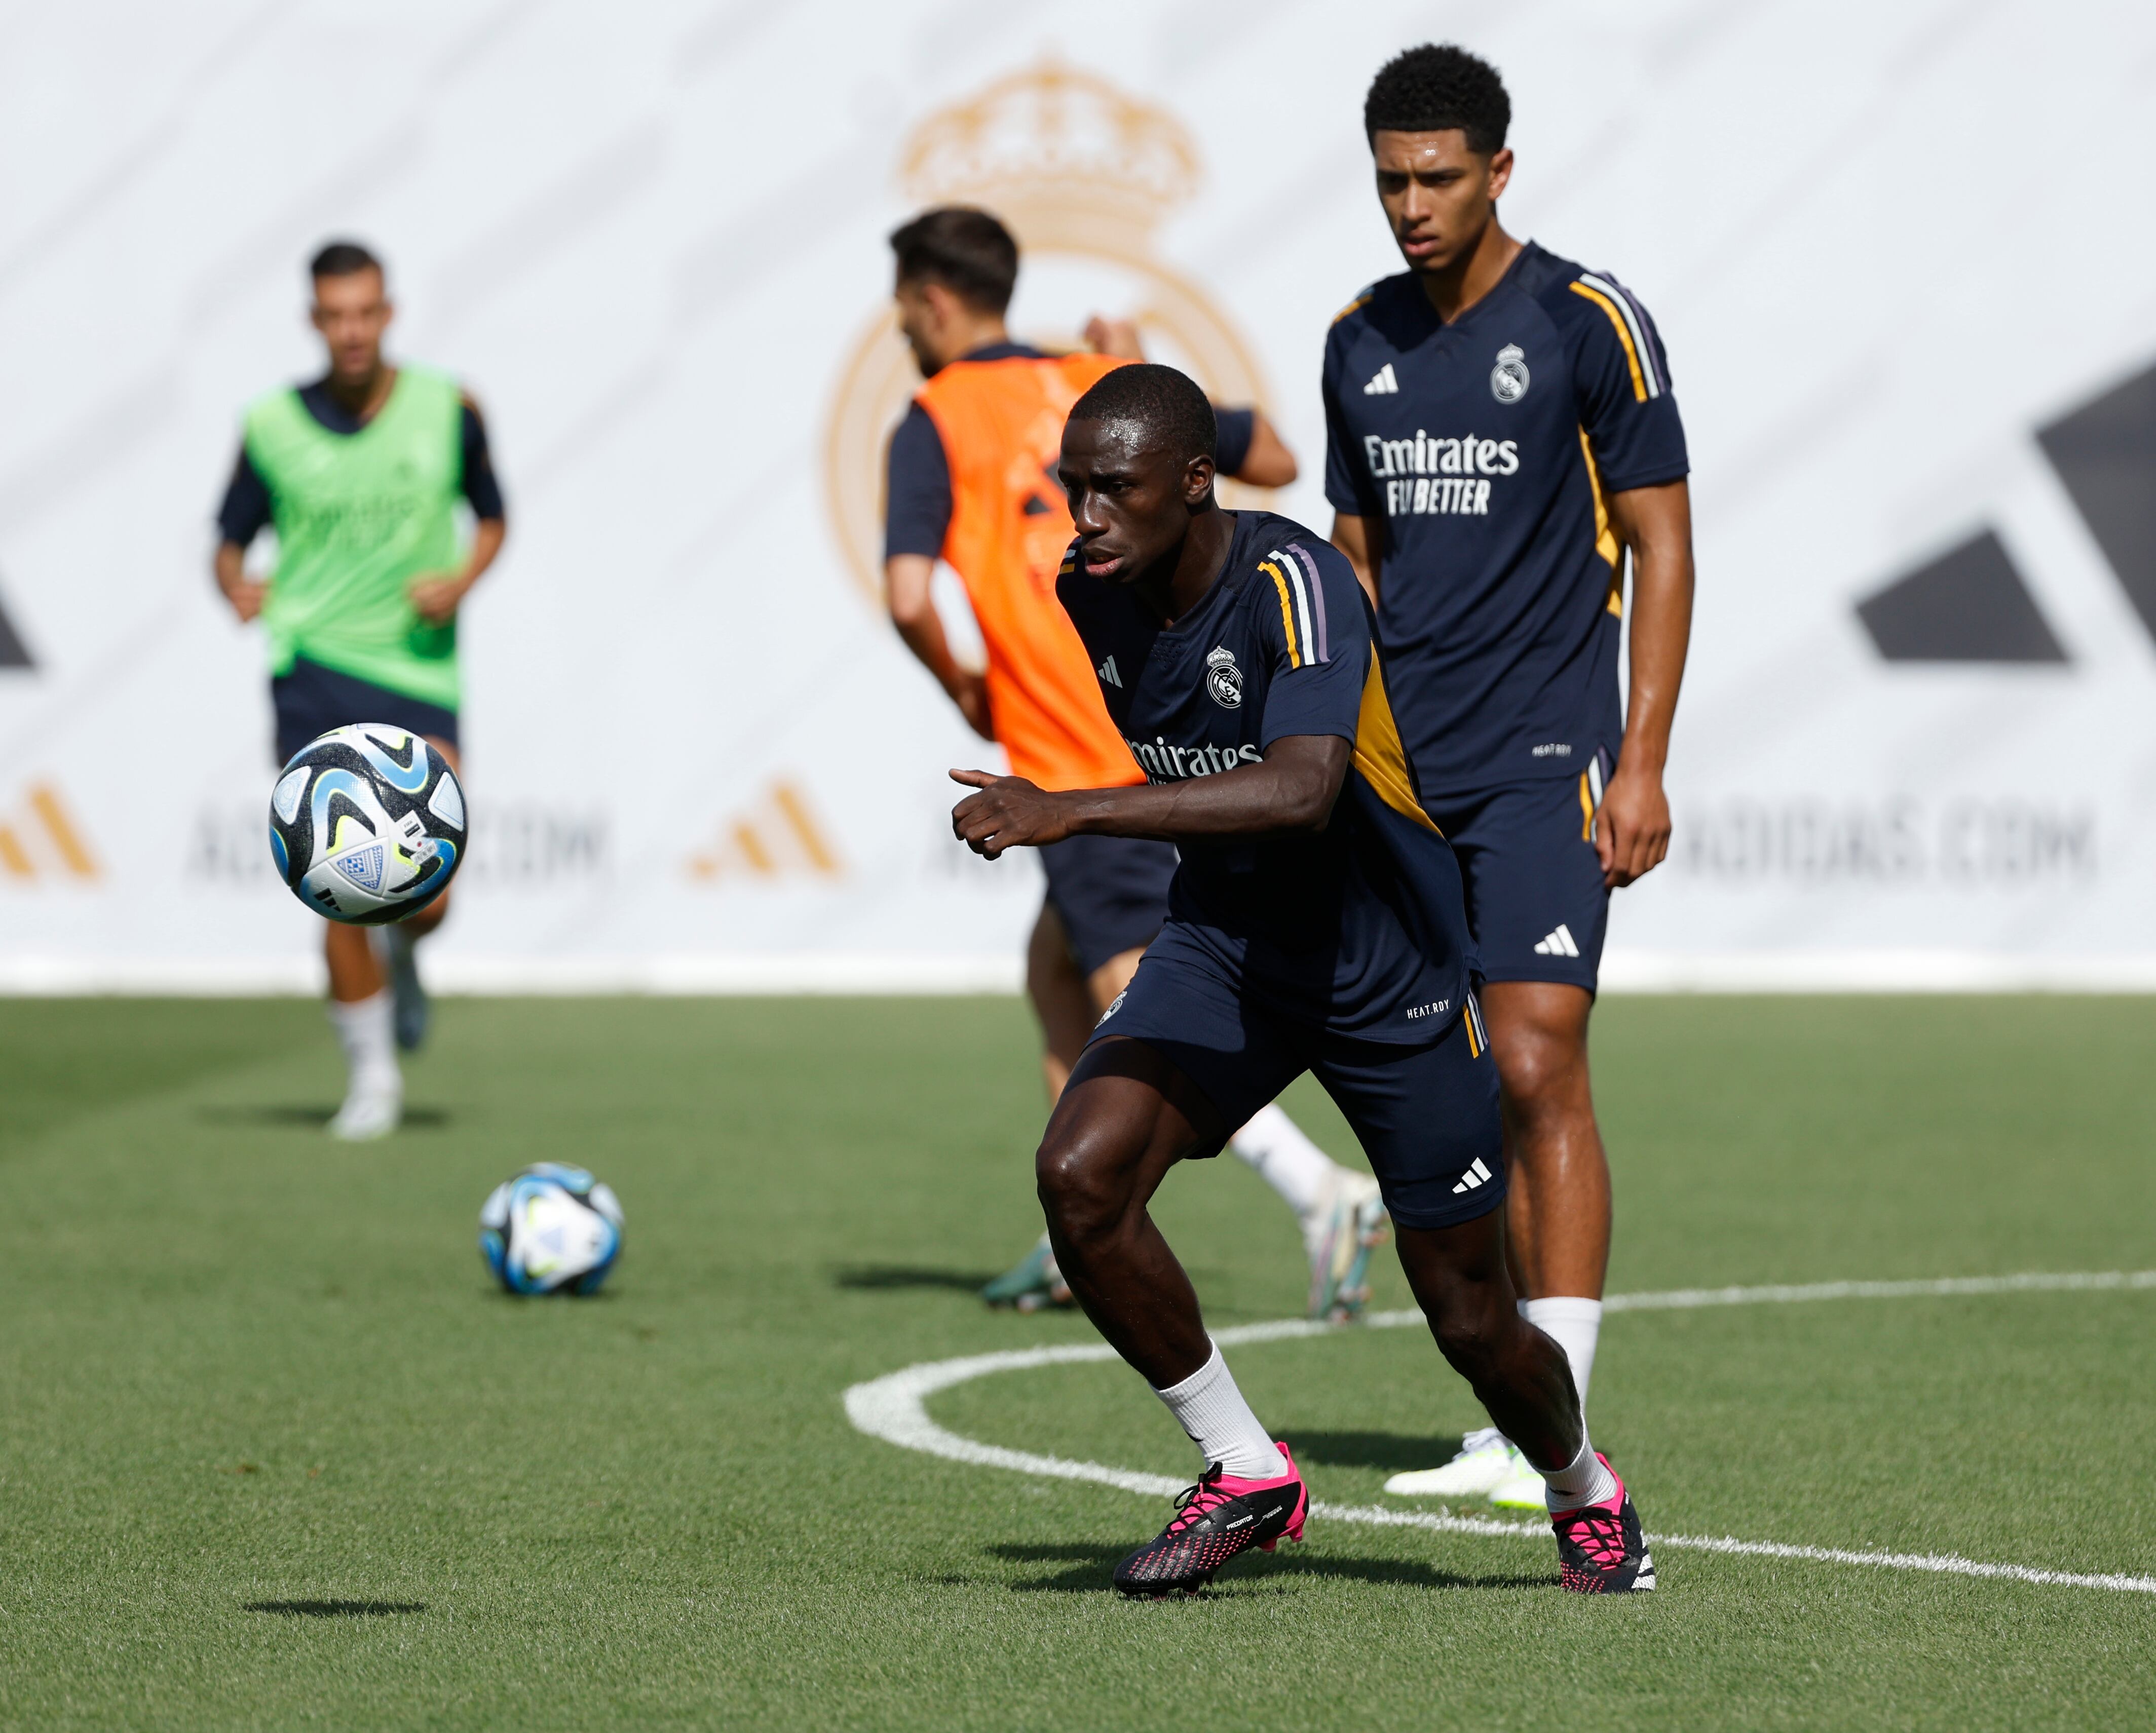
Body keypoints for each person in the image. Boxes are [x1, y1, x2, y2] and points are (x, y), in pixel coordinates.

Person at [950, 362, 1652, 1596]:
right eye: (1074, 490)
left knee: (1472, 1321)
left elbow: (1302, 786)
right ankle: (1244, 1469)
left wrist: (1072, 813)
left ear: (1193, 481)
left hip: (1389, 973)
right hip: (1226, 949)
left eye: (1114, 490)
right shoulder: (1090, 590)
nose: (1087, 517)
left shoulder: (1297, 580)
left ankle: (1583, 1485)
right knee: (1081, 1176)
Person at [883, 207, 1390, 1320]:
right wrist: (1138, 372)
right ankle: (1071, 1241)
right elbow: (1275, 458)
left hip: (1079, 746)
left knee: (1131, 981)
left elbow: (909, 594)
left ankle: (1320, 1190)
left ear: (928, 302)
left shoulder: (932, 415)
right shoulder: (1098, 379)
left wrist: (968, 687)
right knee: (1056, 968)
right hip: (1172, 715)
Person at [1321, 47, 1694, 1507]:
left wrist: (1643, 759)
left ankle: (1557, 1421)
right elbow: (1356, 565)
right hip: (1397, 770)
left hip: (1545, 751)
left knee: (1540, 1058)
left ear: (1499, 171)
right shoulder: (1358, 337)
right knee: (1460, 1086)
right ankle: (1511, 1399)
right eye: (1389, 182)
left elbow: (1661, 542)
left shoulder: (1590, 319)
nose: (1411, 206)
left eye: (1437, 178)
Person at [214, 240, 507, 1140]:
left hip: (416, 669)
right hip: (314, 669)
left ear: (388, 314)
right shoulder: (271, 425)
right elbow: (229, 538)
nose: (350, 331)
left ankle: (407, 960)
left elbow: (494, 517)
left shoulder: (447, 409)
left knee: (431, 891)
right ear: (315, 320)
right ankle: (372, 1074)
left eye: (364, 312)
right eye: (333, 315)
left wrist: (461, 579)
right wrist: (234, 582)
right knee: (334, 877)